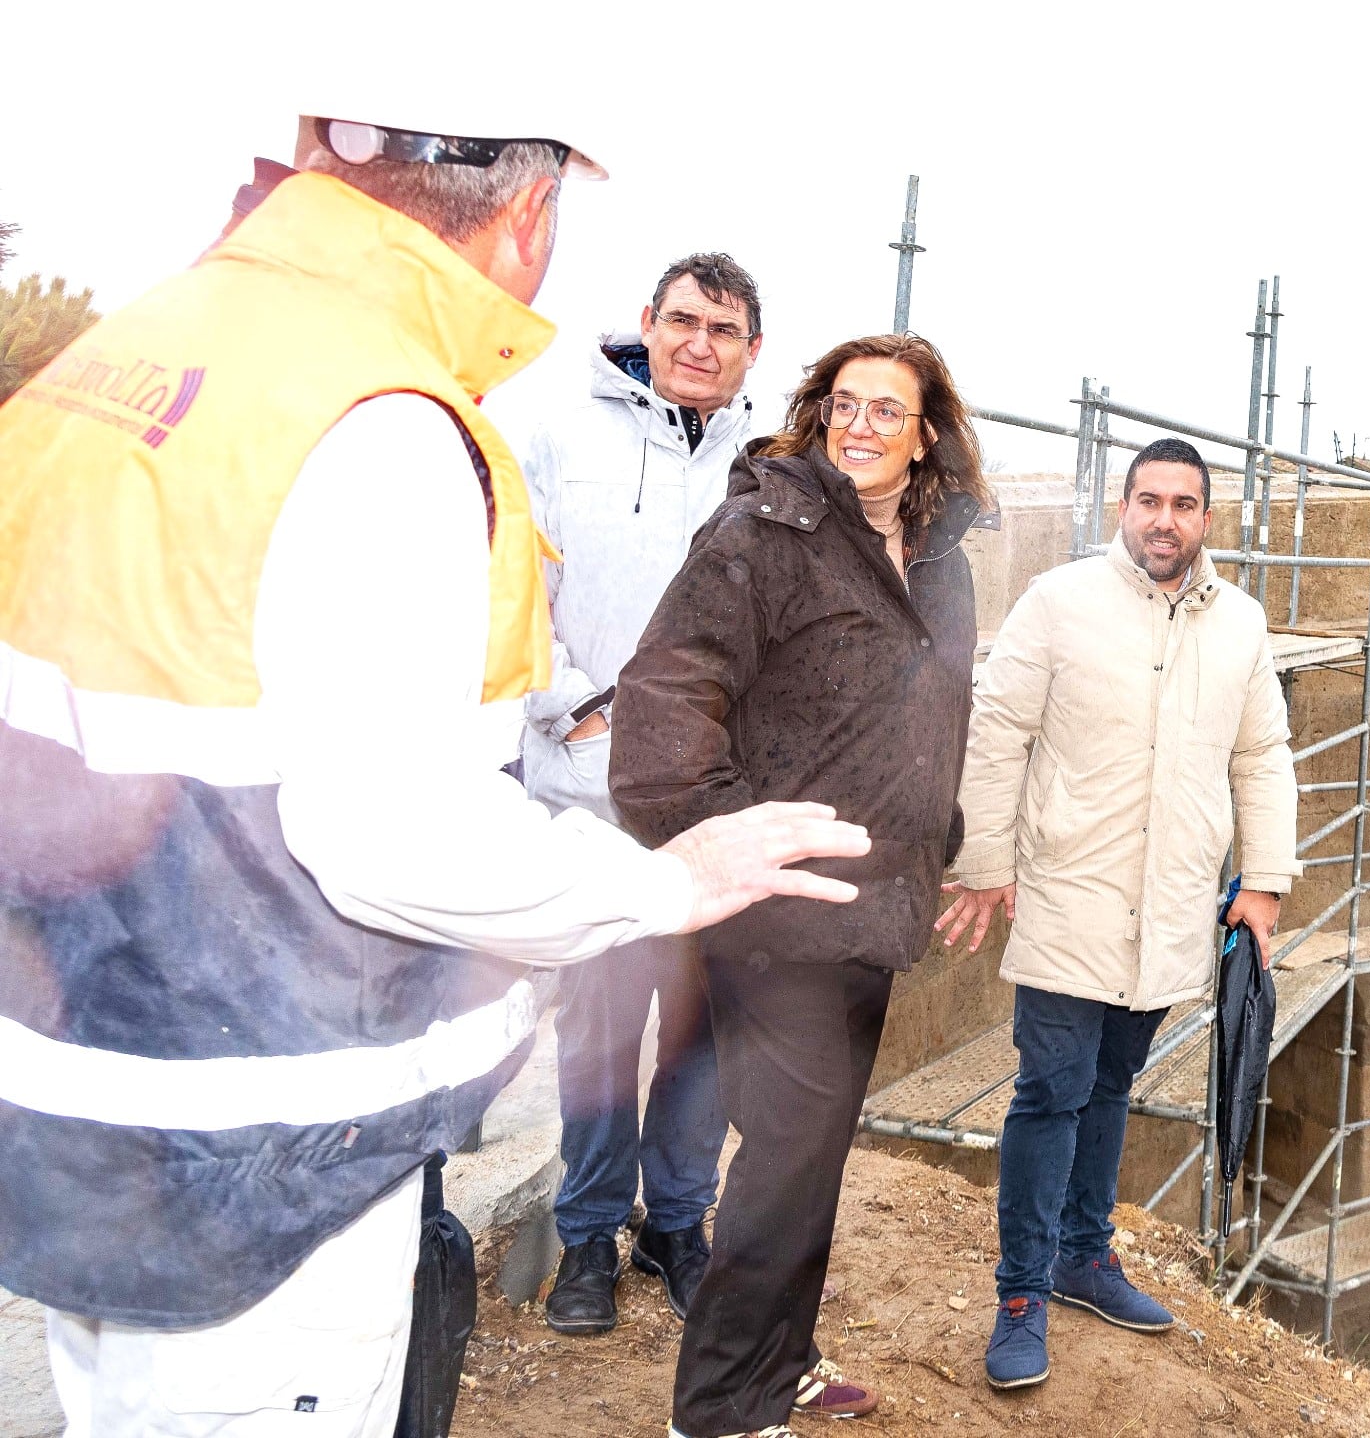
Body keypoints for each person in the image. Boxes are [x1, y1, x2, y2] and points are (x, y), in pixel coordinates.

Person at [0, 106, 868, 1438]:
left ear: (322, 142)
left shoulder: (144, 347)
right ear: (529, 210)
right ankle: (597, 1231)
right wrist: (661, 881)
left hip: (89, 1100)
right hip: (263, 1158)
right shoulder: (387, 419)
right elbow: (394, 833)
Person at [610, 333, 988, 1438]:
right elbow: (661, 710)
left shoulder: (941, 559)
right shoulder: (764, 534)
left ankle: (782, 1363)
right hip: (782, 918)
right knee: (783, 1170)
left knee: (809, 1163)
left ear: (926, 435)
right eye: (844, 404)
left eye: (887, 410)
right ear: (821, 414)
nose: (860, 426)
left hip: (876, 909)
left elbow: (936, 712)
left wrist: (938, 837)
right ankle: (722, 1412)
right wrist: (732, 853)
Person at [938, 435, 1299, 1392]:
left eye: (1183, 504)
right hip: (1071, 894)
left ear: (1207, 518)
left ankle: (1085, 1256)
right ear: (1122, 507)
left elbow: (1261, 755)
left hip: (1173, 901)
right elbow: (997, 731)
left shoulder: (1241, 624)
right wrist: (986, 864)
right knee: (1052, 1089)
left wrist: (1263, 881)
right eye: (1149, 500)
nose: (1164, 520)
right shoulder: (1058, 601)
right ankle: (1023, 1294)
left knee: (1112, 1083)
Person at [519, 252, 766, 1335]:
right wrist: (578, 711)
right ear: (647, 324)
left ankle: (675, 1222)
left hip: (718, 800)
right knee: (600, 1025)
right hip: (597, 795)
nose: (699, 344)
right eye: (683, 321)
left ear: (752, 349)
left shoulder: (769, 465)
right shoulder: (560, 438)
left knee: (702, 1030)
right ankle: (586, 1234)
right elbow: (514, 595)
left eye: (723, 329)